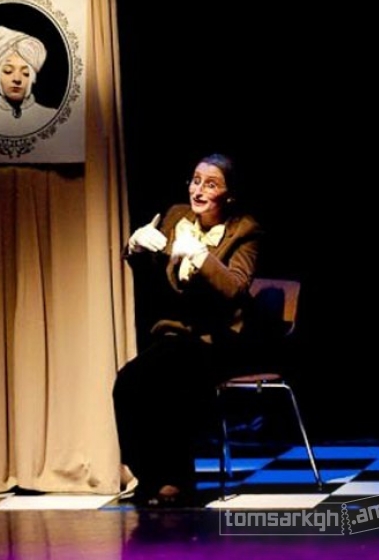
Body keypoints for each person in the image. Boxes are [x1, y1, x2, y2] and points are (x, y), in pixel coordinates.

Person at [113, 152, 265, 507]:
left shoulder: (245, 231)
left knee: (172, 382)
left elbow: (234, 288)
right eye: (196, 181)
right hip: (175, 337)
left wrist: (200, 255)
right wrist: (135, 248)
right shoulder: (176, 217)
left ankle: (176, 481)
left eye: (210, 185)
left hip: (218, 340)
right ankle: (149, 474)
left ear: (229, 195)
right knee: (129, 382)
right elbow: (150, 272)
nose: (198, 190)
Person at [0, 25, 57, 136]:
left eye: (25, 73)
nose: (17, 79)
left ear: (32, 78)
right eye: (8, 71)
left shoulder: (52, 117)